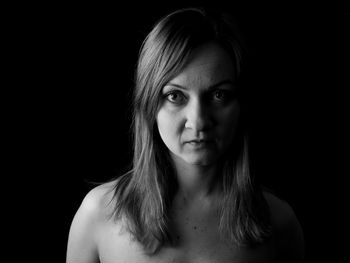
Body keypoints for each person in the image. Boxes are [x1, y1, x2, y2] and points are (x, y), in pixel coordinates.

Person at [66, 7, 304, 263]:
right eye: (175, 96)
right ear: (149, 105)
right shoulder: (99, 214)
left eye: (219, 95)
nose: (199, 121)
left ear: (242, 105)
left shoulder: (279, 224)